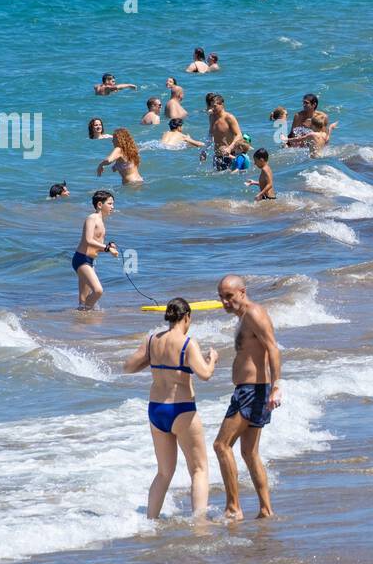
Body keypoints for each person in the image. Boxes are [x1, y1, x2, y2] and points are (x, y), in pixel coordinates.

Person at [123, 298, 219, 520]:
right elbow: (205, 374)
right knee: (199, 470)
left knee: (164, 472)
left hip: (156, 410)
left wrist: (153, 362)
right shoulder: (187, 342)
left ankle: (151, 521)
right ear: (187, 317)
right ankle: (200, 523)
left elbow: (127, 367)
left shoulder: (151, 340)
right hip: (182, 409)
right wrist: (212, 359)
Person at [212, 275, 281, 520]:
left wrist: (277, 386)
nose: (224, 302)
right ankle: (265, 509)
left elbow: (273, 347)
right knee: (249, 452)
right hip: (252, 391)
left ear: (242, 292)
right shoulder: (243, 317)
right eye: (221, 297)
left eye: (229, 296)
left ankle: (233, 508)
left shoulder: (254, 313)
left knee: (221, 445)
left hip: (251, 392)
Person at [73, 190, 119, 310]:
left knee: (83, 299)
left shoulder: (102, 222)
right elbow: (88, 240)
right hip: (81, 259)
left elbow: (97, 246)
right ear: (99, 205)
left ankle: (82, 318)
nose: (112, 207)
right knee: (98, 291)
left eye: (113, 204)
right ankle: (85, 312)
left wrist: (108, 247)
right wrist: (107, 248)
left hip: (90, 260)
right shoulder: (92, 218)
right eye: (110, 204)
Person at [206, 93, 243, 169]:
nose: (212, 108)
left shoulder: (229, 117)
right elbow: (210, 134)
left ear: (222, 104)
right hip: (217, 156)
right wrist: (205, 151)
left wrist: (229, 148)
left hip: (231, 154)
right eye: (211, 106)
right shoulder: (212, 117)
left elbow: (239, 135)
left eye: (215, 106)